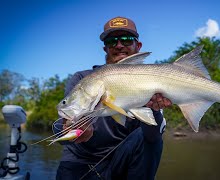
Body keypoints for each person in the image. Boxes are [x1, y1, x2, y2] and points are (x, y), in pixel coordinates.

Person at [54, 16, 172, 180]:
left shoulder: (148, 82)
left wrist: (155, 111)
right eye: (112, 41)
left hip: (120, 164)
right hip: (78, 165)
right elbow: (60, 129)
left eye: (126, 40)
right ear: (105, 48)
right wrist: (71, 128)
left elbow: (151, 139)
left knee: (146, 136)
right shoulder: (82, 78)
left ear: (137, 46)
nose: (119, 45)